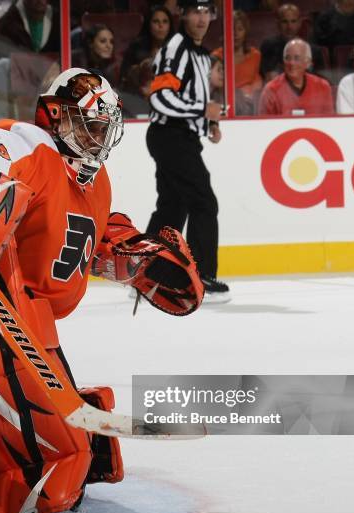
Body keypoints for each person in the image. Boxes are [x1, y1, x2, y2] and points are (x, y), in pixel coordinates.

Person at [0, 68, 204, 513]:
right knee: (50, 462)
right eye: (87, 123)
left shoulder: (96, 184)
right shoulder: (27, 143)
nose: (96, 136)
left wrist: (135, 256)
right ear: (54, 116)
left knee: (85, 447)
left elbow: (87, 243)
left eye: (103, 126)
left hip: (14, 317)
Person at [146, 0, 230, 302]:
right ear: (183, 14)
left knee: (172, 206)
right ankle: (201, 277)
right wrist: (201, 110)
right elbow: (160, 97)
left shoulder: (204, 57)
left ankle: (149, 271)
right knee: (204, 202)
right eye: (196, 10)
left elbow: (191, 102)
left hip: (179, 137)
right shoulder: (176, 47)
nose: (202, 17)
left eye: (208, 11)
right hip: (170, 136)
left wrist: (209, 124)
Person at [0, 0, 61, 118]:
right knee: (1, 65)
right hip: (21, 67)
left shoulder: (58, 17)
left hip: (51, 67)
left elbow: (69, 47)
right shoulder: (11, 18)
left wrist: (58, 63)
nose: (41, 1)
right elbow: (6, 49)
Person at [119, 5, 175, 116]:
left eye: (165, 22)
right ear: (148, 24)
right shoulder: (135, 48)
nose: (161, 25)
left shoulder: (178, 50)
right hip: (138, 103)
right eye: (156, 21)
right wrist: (139, 69)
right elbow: (124, 79)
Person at [258, 38, 334, 115]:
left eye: (297, 58)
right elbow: (264, 124)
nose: (291, 63)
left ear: (308, 62)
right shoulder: (271, 90)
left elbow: (329, 122)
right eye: (287, 58)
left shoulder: (323, 87)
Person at [259, 3, 327, 82]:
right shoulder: (268, 46)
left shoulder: (314, 50)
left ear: (299, 23)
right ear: (277, 23)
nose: (289, 27)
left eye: (293, 21)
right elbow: (267, 76)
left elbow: (321, 80)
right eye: (284, 22)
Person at [212, 10, 263, 114]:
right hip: (224, 105)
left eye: (240, 29)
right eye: (231, 29)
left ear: (246, 31)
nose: (235, 34)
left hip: (250, 106)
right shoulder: (216, 57)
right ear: (224, 30)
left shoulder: (255, 55)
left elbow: (259, 84)